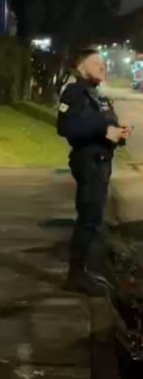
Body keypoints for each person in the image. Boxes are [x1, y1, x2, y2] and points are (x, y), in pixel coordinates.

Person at [56, 47, 132, 294]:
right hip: (88, 162)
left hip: (101, 161)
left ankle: (83, 271)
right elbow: (67, 127)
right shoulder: (75, 92)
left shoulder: (97, 95)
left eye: (103, 63)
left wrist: (119, 134)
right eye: (97, 62)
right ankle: (75, 276)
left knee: (93, 218)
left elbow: (106, 126)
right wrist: (103, 130)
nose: (103, 66)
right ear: (82, 66)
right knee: (88, 220)